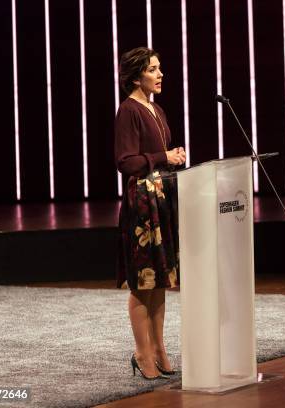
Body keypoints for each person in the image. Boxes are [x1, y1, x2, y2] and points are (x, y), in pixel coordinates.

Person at [114, 47, 186, 380]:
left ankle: (160, 350)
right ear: (136, 75)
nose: (160, 75)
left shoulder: (155, 108)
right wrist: (163, 157)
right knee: (143, 283)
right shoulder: (128, 110)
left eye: (160, 68)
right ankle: (142, 353)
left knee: (160, 282)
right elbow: (126, 162)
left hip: (161, 200)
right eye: (153, 70)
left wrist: (173, 156)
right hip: (142, 206)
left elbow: (159, 153)